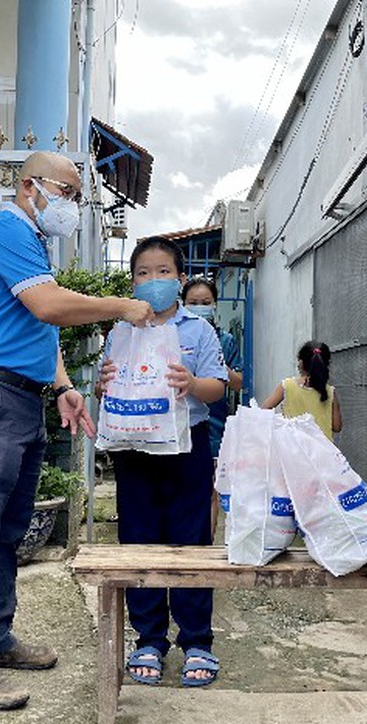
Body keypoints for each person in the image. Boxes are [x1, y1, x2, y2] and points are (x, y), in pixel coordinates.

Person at [0, 151, 154, 711]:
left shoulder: (31, 244)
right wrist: (121, 306)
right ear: (31, 186)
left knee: (8, 531)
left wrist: (62, 387)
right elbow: (50, 306)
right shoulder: (3, 229)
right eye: (70, 193)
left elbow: (36, 327)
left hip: (16, 398)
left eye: (79, 197)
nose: (74, 207)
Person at [98, 237, 228, 688]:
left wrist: (191, 382)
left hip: (186, 446)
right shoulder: (120, 330)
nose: (153, 281)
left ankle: (197, 641)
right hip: (134, 448)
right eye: (143, 273)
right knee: (139, 538)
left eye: (163, 272)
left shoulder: (199, 330)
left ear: (180, 277)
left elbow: (217, 388)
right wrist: (104, 384)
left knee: (191, 539)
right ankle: (149, 639)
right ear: (132, 281)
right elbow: (105, 385)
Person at [181, 275, 244, 538]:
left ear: (215, 304)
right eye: (193, 302)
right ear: (183, 303)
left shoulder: (226, 340)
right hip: (180, 421)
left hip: (216, 423)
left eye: (205, 302)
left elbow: (239, 382)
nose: (200, 306)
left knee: (210, 488)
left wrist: (217, 363)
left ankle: (204, 542)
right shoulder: (172, 334)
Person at [261, 341, 342, 441]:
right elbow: (337, 427)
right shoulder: (330, 392)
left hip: (293, 449)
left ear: (301, 363)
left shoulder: (287, 386)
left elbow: (264, 410)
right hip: (323, 452)